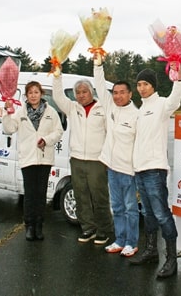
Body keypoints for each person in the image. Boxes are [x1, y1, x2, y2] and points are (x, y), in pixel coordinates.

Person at [129, 64, 181, 279]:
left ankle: (171, 259)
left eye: (146, 84)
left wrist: (178, 80)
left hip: (155, 170)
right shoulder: (140, 110)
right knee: (148, 213)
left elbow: (175, 99)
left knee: (162, 213)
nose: (142, 88)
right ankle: (151, 251)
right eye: (139, 84)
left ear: (153, 86)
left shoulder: (161, 105)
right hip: (140, 170)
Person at [52, 73, 113, 245]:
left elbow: (109, 134)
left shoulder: (102, 109)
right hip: (77, 159)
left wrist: (106, 157)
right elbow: (57, 96)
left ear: (91, 92)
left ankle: (104, 230)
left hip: (97, 161)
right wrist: (57, 76)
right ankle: (88, 228)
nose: (81, 95)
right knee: (81, 196)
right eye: (78, 92)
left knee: (99, 197)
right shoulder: (73, 108)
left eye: (84, 91)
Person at [2, 81, 63, 241]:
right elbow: (8, 129)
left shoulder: (51, 112)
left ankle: (39, 226)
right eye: (30, 93)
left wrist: (46, 139)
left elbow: (58, 131)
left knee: (41, 194)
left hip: (44, 158)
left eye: (36, 92)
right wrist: (7, 112)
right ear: (26, 96)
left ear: (41, 94)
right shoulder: (20, 112)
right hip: (28, 158)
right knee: (29, 194)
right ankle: (29, 226)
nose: (34, 95)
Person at [93, 55, 139, 257]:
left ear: (130, 94)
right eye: (115, 93)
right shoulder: (110, 107)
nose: (118, 96)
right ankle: (120, 240)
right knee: (117, 207)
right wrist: (98, 63)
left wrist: (137, 170)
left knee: (130, 209)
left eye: (122, 93)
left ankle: (132, 242)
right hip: (111, 168)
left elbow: (140, 145)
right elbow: (99, 85)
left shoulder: (136, 115)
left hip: (128, 170)